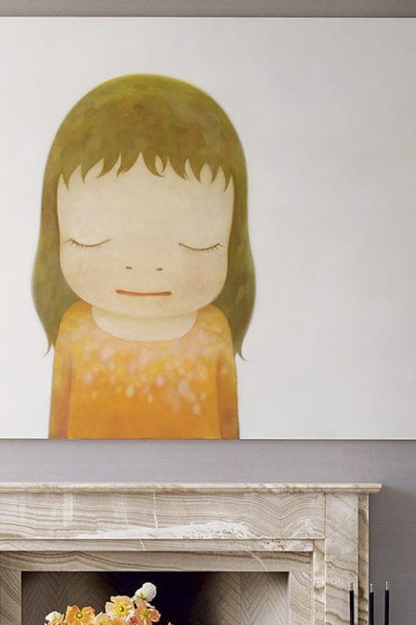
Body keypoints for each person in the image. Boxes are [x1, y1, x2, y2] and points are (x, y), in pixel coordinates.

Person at [32, 74, 255, 439]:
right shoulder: (75, 330)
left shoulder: (214, 332)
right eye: (92, 238)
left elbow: (230, 441)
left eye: (197, 242)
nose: (145, 264)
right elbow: (58, 439)